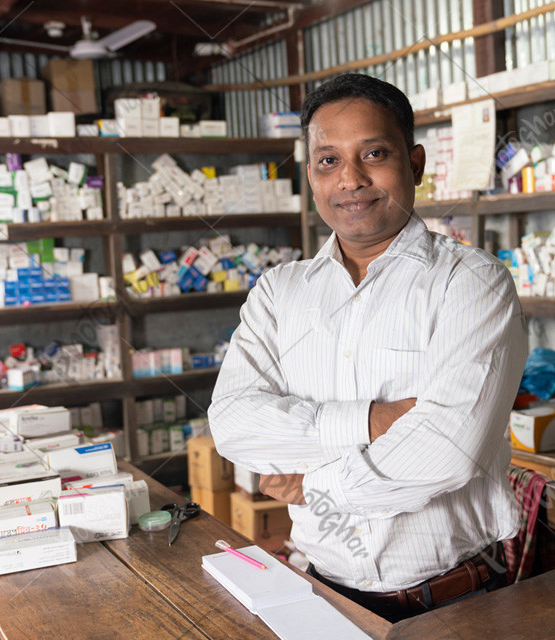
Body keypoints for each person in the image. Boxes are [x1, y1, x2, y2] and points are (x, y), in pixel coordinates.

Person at [208, 73, 527, 623]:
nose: (350, 179)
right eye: (328, 161)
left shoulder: (472, 282)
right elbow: (233, 425)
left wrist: (315, 485)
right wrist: (370, 421)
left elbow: (450, 450)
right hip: (321, 595)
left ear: (416, 163)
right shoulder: (280, 292)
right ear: (311, 174)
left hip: (456, 600)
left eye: (374, 153)